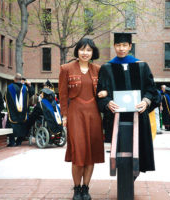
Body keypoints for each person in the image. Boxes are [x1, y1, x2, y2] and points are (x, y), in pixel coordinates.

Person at [97, 33, 159, 176]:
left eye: (124, 45)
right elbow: (100, 93)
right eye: (118, 45)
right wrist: (107, 102)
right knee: (120, 155)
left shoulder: (142, 66)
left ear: (130, 47)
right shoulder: (107, 68)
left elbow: (152, 91)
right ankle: (124, 180)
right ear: (114, 46)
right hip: (116, 118)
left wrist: (146, 101)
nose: (121, 48)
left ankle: (132, 178)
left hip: (138, 117)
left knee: (139, 152)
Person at [58, 38, 105, 200]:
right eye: (82, 49)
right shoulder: (66, 69)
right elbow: (63, 95)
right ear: (77, 51)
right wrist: (64, 115)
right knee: (79, 152)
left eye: (89, 50)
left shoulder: (98, 69)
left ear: (93, 53)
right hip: (75, 113)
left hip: (93, 114)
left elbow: (106, 88)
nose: (85, 53)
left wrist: (106, 93)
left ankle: (86, 188)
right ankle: (76, 189)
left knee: (90, 152)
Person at [5, 73, 33, 147]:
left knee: (11, 126)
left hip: (12, 111)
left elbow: (6, 99)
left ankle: (12, 142)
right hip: (22, 112)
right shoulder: (25, 88)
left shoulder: (9, 87)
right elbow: (29, 97)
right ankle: (19, 141)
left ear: (14, 79)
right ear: (21, 80)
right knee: (21, 126)